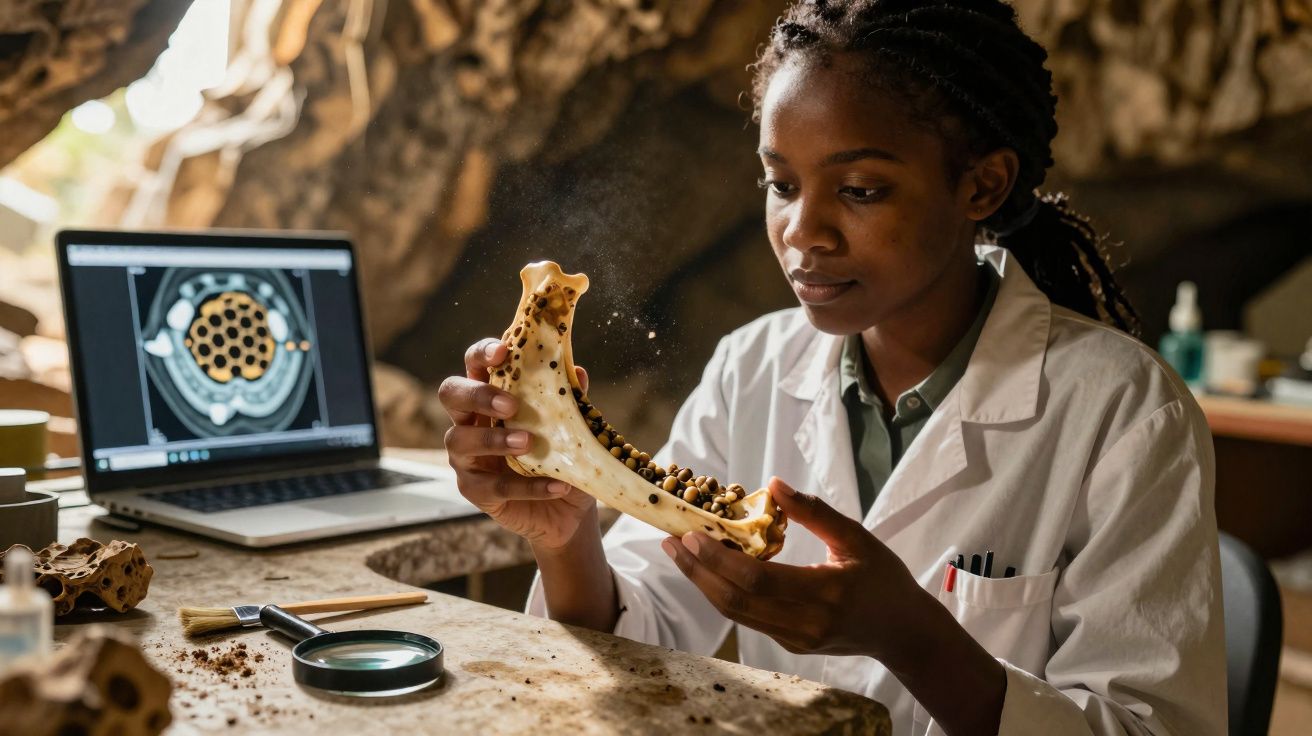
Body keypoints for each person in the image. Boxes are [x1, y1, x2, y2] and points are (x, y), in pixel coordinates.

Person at [437, 1, 1225, 733]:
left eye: (860, 189)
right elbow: (646, 640)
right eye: (781, 184)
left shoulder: (1125, 413)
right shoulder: (753, 368)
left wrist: (913, 638)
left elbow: (1148, 726)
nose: (803, 231)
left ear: (982, 184)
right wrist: (565, 534)